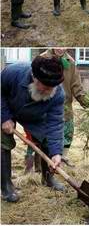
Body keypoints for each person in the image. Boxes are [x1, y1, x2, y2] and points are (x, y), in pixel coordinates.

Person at [1, 56, 65, 202]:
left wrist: (56, 153)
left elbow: (54, 123)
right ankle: (6, 187)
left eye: (52, 88)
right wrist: (4, 117)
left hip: (34, 115)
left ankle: (48, 178)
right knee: (2, 142)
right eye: (45, 87)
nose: (49, 91)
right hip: (7, 108)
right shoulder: (13, 72)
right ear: (34, 77)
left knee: (48, 139)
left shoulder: (58, 95)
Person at [24, 49, 89, 173]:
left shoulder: (70, 63)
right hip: (43, 104)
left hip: (65, 105)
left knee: (66, 135)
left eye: (64, 46)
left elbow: (76, 86)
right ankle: (31, 166)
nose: (61, 48)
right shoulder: (42, 58)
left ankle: (58, 161)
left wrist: (85, 101)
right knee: (36, 137)